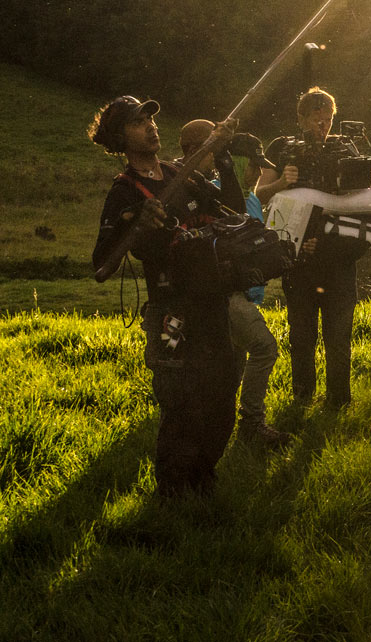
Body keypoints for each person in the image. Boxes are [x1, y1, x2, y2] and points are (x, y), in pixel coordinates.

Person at [89, 96, 238, 497]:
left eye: (151, 119)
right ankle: (173, 494)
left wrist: (223, 159)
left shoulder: (181, 173)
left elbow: (237, 214)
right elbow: (102, 263)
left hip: (212, 301)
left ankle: (204, 477)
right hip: (172, 310)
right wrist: (138, 222)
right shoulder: (124, 192)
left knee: (223, 393)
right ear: (121, 136)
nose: (151, 126)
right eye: (139, 122)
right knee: (182, 401)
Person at [255, 87, 369, 407]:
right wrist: (283, 182)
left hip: (338, 259)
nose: (323, 126)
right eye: (316, 119)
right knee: (301, 336)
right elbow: (259, 196)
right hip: (298, 260)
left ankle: (338, 403)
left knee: (338, 337)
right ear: (301, 118)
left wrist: (331, 243)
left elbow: (359, 206)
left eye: (329, 119)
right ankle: (302, 400)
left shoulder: (345, 148)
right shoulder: (283, 149)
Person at [178, 120, 289, 448]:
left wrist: (225, 167)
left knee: (235, 358)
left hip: (225, 285)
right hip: (210, 292)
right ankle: (251, 422)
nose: (220, 157)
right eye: (216, 150)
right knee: (265, 348)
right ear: (202, 148)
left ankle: (225, 421)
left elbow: (235, 215)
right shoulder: (177, 182)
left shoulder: (209, 183)